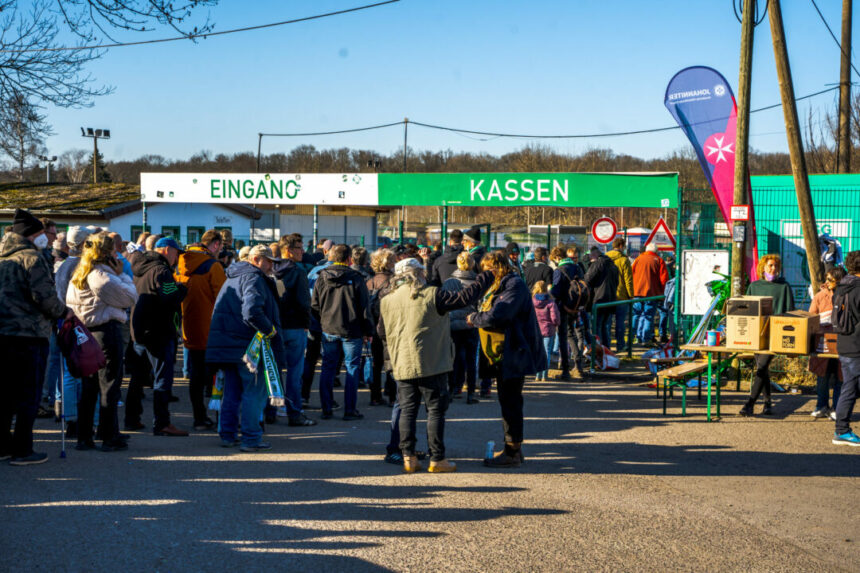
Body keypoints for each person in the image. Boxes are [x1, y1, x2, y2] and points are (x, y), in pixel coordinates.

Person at [379, 257, 494, 473]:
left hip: (402, 362)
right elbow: (464, 298)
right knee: (435, 411)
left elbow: (380, 332)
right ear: (418, 273)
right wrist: (488, 275)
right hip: (432, 362)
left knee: (407, 410)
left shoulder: (387, 300)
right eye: (422, 271)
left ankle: (408, 457)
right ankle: (437, 458)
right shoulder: (432, 294)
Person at [0, 209, 69, 465]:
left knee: (5, 395)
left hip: (4, 334)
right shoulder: (32, 258)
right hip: (28, 334)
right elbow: (45, 298)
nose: (45, 238)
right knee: (29, 394)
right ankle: (22, 449)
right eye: (42, 233)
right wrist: (64, 312)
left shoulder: (3, 257)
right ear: (31, 235)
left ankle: (4, 445)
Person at [467, 251, 546, 468]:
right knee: (507, 400)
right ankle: (513, 449)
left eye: (487, 269)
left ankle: (512, 451)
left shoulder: (515, 285)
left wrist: (475, 319)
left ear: (497, 267)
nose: (484, 274)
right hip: (505, 351)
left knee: (510, 401)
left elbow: (499, 314)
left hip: (514, 351)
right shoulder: (503, 285)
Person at [207, 245, 285, 452]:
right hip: (248, 346)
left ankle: (228, 434)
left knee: (232, 392)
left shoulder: (233, 276)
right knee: (254, 392)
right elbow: (251, 311)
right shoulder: (254, 278)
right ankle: (251, 438)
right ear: (257, 260)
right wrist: (270, 330)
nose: (271, 266)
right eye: (269, 262)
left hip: (230, 344)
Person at [66, 232, 138, 451]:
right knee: (109, 385)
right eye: (115, 251)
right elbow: (129, 297)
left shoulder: (81, 272)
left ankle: (86, 436)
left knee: (90, 387)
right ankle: (108, 436)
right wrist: (122, 276)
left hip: (86, 332)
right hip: (104, 332)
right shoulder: (101, 276)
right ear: (107, 254)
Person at [128, 236, 189, 435]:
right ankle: (162, 423)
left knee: (137, 377)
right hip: (159, 331)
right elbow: (169, 294)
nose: (177, 258)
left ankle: (132, 418)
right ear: (166, 250)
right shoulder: (161, 271)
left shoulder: (139, 267)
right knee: (162, 377)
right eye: (176, 253)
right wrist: (181, 288)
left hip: (139, 330)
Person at [311, 244, 374, 420]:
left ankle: (326, 408)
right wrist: (368, 330)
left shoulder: (322, 276)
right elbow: (364, 307)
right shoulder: (356, 277)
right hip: (352, 329)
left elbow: (315, 304)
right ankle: (349, 409)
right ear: (349, 259)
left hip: (328, 328)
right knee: (352, 369)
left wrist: (319, 325)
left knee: (328, 368)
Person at [174, 230, 226, 431]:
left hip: (190, 328)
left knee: (195, 377)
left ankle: (199, 417)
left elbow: (173, 292)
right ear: (214, 245)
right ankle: (222, 418)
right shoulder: (213, 266)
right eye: (220, 246)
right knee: (217, 377)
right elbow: (223, 298)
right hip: (213, 331)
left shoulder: (179, 264)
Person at [739, 254, 795, 417]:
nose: (773, 268)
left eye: (776, 265)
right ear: (763, 267)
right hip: (756, 333)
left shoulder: (784, 286)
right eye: (770, 265)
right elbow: (747, 310)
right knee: (762, 369)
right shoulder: (754, 286)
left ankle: (749, 404)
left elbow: (790, 310)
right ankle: (768, 403)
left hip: (774, 333)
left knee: (762, 367)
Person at [273, 234, 316, 426]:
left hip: (275, 326)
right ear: (289, 250)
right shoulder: (297, 272)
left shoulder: (272, 268)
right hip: (295, 326)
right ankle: (294, 413)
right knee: (293, 373)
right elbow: (303, 302)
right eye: (299, 248)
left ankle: (270, 411)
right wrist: (306, 322)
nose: (302, 252)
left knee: (273, 371)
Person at [441, 252, 481, 402]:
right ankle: (471, 392)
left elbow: (443, 302)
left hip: (452, 324)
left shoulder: (449, 282)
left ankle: (451, 390)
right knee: (471, 360)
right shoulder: (478, 282)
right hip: (471, 323)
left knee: (453, 358)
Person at [831, 250, 860, 446]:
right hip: (857, 344)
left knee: (850, 386)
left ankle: (841, 427)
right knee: (851, 387)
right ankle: (841, 429)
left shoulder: (842, 286)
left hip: (844, 342)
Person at [809, 266, 845, 420]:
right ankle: (821, 406)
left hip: (842, 341)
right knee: (822, 376)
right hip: (822, 340)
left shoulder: (846, 295)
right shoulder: (819, 296)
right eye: (827, 278)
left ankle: (836, 408)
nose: (828, 282)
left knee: (840, 376)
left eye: (831, 279)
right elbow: (812, 316)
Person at [550, 245, 588, 379]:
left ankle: (565, 370)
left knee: (563, 337)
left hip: (563, 307)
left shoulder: (559, 271)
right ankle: (578, 365)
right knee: (573, 334)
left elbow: (556, 291)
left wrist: (550, 293)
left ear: (558, 258)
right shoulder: (577, 267)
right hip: (576, 306)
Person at [366, 248, 396, 406]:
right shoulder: (395, 282)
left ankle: (375, 395)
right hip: (390, 327)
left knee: (376, 363)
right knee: (391, 363)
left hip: (372, 327)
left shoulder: (369, 282)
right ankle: (392, 395)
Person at [631, 243, 668, 346]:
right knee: (648, 316)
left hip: (637, 292)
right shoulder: (659, 260)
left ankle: (634, 337)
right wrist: (662, 294)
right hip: (652, 293)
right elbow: (663, 279)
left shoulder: (638, 259)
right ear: (656, 251)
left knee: (637, 315)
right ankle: (645, 339)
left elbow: (631, 273)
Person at [585, 246, 618, 348]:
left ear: (594, 255)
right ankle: (606, 349)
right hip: (610, 299)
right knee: (604, 326)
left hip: (599, 299)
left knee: (596, 326)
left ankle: (598, 351)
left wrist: (591, 265)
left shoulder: (597, 264)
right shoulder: (613, 265)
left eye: (590, 256)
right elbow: (617, 282)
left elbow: (588, 279)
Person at [606, 237, 634, 354]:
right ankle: (620, 346)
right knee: (620, 322)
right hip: (621, 295)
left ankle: (606, 345)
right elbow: (628, 279)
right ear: (621, 246)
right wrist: (631, 295)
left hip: (607, 294)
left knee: (606, 323)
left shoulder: (605, 258)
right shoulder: (624, 260)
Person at [532, 280, 559, 381]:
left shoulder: (532, 301)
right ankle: (544, 375)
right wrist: (556, 324)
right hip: (548, 328)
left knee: (538, 351)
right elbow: (555, 317)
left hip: (536, 329)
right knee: (547, 352)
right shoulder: (550, 302)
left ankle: (537, 375)